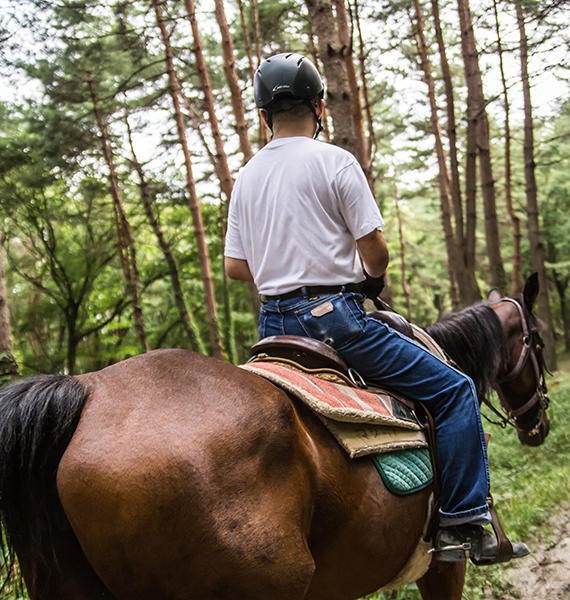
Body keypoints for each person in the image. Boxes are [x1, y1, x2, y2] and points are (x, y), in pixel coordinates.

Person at [224, 51, 529, 564]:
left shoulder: (247, 177)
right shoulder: (336, 162)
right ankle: (463, 521)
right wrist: (363, 277)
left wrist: (283, 271)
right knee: (455, 391)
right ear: (320, 106)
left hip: (273, 328)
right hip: (337, 322)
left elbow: (235, 267)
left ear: (262, 116)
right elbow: (377, 251)